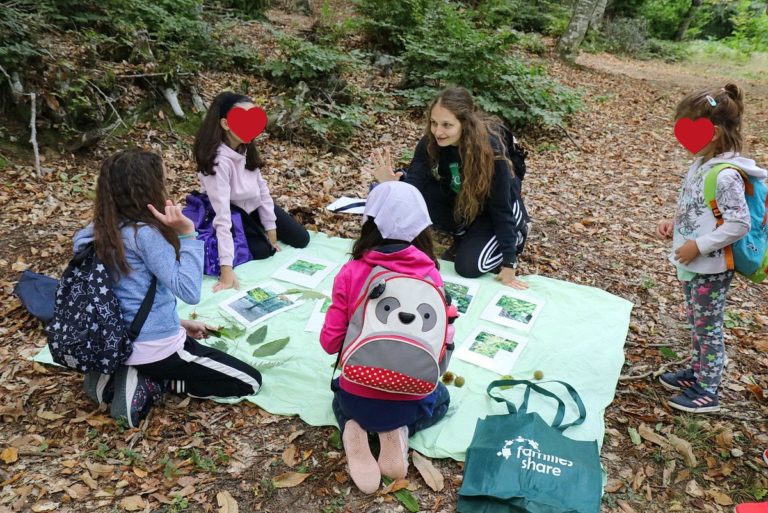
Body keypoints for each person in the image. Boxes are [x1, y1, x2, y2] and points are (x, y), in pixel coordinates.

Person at [77, 149, 263, 427]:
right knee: (249, 381)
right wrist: (188, 234)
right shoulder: (144, 235)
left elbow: (123, 296)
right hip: (156, 348)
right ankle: (153, 380)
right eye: (162, 180)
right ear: (147, 188)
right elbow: (189, 290)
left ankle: (118, 374)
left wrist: (179, 322)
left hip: (112, 339)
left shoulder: (92, 233)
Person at [320, 182, 452, 494]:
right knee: (442, 398)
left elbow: (329, 343)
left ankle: (352, 429)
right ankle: (399, 429)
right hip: (410, 394)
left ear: (369, 222)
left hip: (357, 391)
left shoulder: (351, 272)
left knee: (340, 395)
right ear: (422, 226)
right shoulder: (431, 274)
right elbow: (442, 347)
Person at [656, 83, 766, 413]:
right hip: (697, 263)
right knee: (697, 321)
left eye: (688, 129)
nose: (682, 139)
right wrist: (675, 224)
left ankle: (708, 389)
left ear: (714, 132)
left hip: (712, 266)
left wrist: (698, 246)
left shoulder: (725, 175)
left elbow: (738, 224)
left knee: (708, 327)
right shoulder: (703, 162)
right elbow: (700, 206)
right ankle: (698, 371)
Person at [370, 86, 529, 289]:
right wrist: (392, 186)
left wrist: (509, 262)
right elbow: (415, 188)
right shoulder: (430, 142)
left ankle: (517, 231)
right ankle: (465, 230)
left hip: (493, 209)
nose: (438, 131)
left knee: (468, 267)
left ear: (465, 124)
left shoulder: (490, 151)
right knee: (404, 191)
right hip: (460, 200)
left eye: (447, 125)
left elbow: (500, 207)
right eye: (434, 123)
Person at [193, 91, 309, 292]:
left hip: (252, 206)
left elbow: (262, 190)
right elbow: (222, 216)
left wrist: (271, 229)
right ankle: (248, 238)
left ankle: (259, 231)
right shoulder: (218, 161)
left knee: (301, 238)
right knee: (263, 252)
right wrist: (226, 269)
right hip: (232, 211)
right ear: (226, 124)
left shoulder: (245, 147)